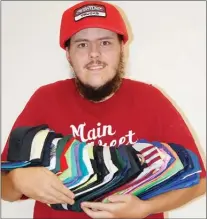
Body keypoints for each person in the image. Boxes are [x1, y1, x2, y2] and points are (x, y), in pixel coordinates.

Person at [1, 1, 206, 219]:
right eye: (82, 45)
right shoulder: (44, 99)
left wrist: (145, 208)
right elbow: (5, 190)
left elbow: (199, 180)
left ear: (121, 49)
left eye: (105, 43)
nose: (94, 54)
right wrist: (16, 180)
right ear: (68, 54)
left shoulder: (151, 99)